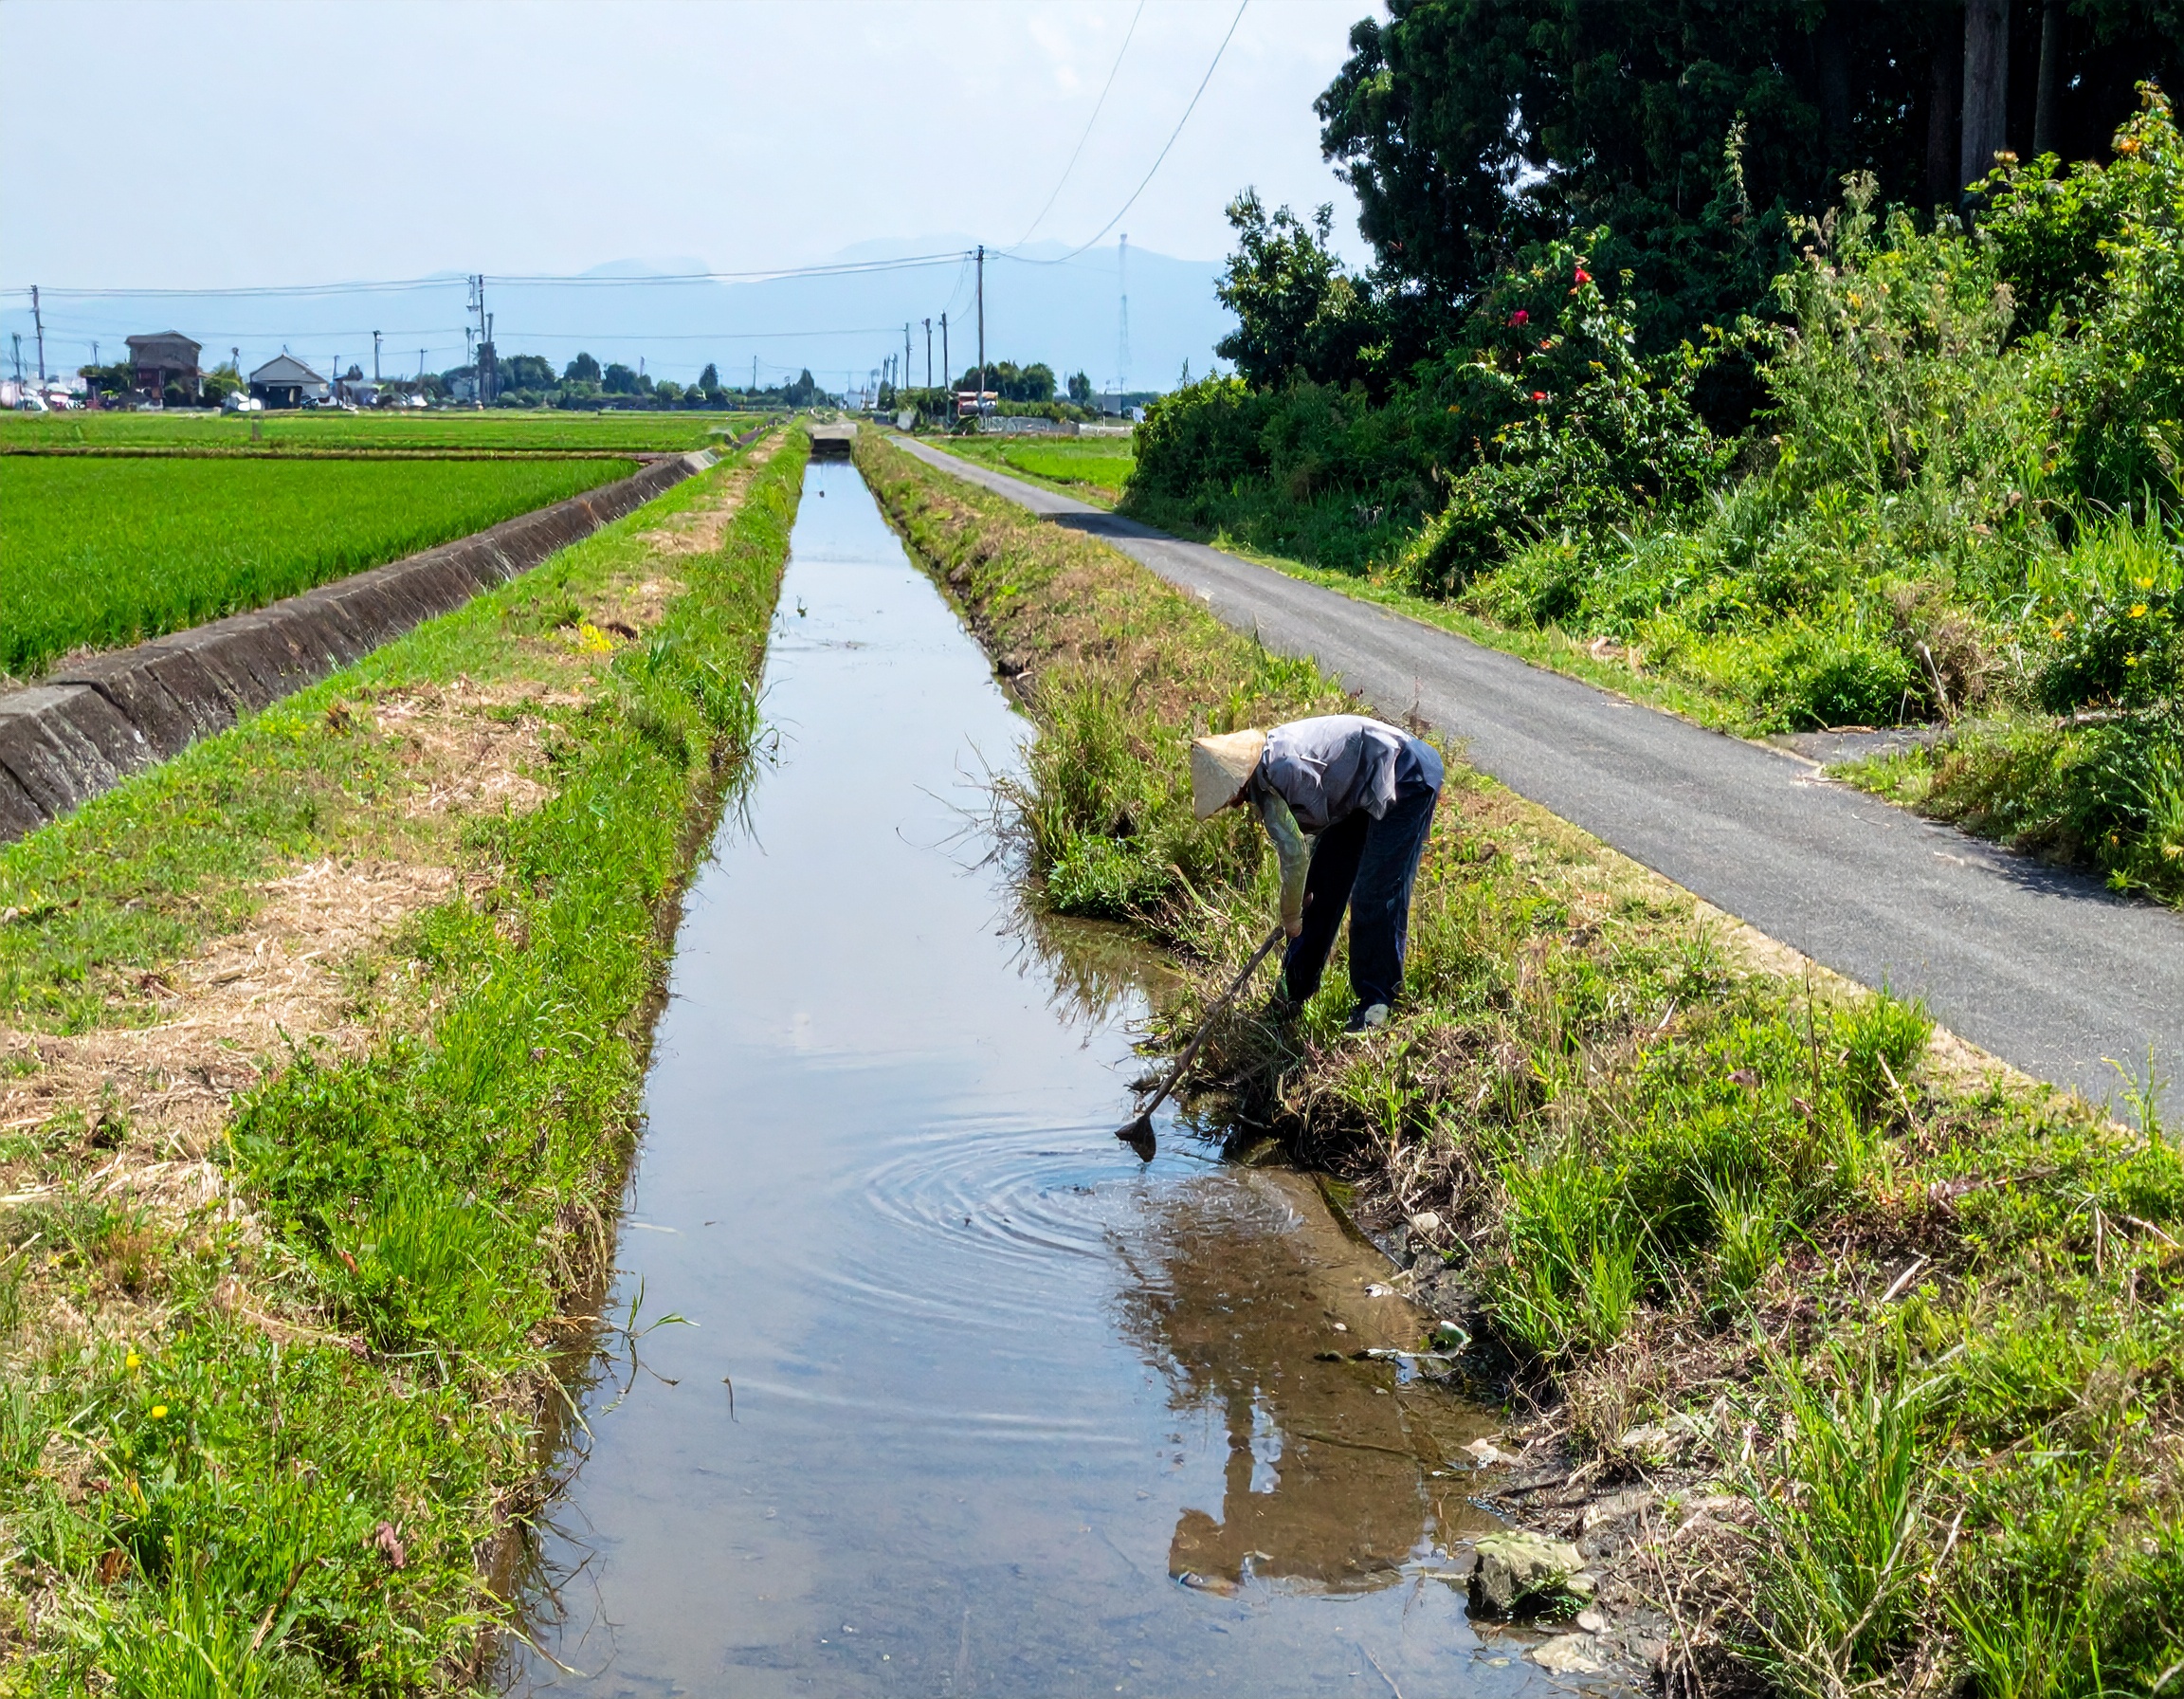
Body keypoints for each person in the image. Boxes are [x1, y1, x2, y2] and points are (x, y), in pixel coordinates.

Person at [1191, 714, 1443, 1032]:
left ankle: (1375, 1005)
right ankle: (1292, 993)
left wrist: (1290, 917)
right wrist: (1298, 907)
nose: (1233, 804)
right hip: (1362, 790)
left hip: (1405, 775)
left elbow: (1295, 855)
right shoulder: (1268, 770)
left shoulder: (1281, 771)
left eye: (1230, 796)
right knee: (1321, 889)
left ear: (1240, 779)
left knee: (1374, 893)